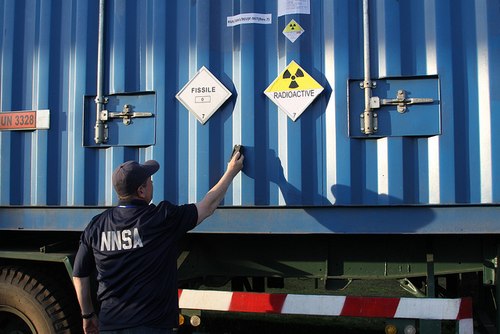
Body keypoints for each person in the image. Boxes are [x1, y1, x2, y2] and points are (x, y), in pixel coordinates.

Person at [72, 150, 244, 334]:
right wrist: (231, 171)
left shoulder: (96, 226)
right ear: (141, 190)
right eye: (149, 180)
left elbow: (79, 273)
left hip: (110, 325)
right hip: (152, 326)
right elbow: (207, 206)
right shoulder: (160, 218)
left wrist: (87, 315)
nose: (152, 182)